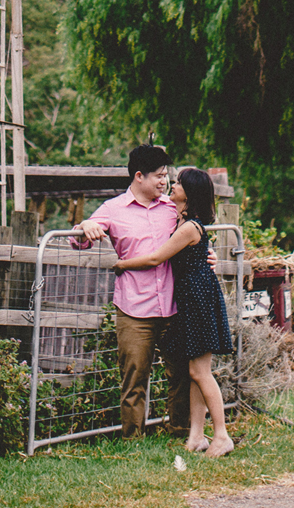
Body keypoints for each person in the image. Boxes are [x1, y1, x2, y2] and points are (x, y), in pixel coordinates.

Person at [113, 166, 238, 455]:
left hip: (198, 301)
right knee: (196, 372)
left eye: (178, 183)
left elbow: (157, 257)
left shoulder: (189, 228)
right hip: (191, 301)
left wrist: (122, 264)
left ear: (189, 193)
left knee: (200, 371)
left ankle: (221, 435)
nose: (172, 185)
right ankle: (196, 436)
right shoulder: (183, 221)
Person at [75, 144, 189, 438]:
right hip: (134, 309)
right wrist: (85, 225)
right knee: (135, 377)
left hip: (174, 306)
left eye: (166, 176)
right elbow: (80, 241)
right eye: (159, 176)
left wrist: (209, 256)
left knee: (181, 373)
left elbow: (195, 237)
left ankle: (179, 430)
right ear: (139, 176)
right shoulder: (113, 209)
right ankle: (132, 438)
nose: (164, 182)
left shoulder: (172, 208)